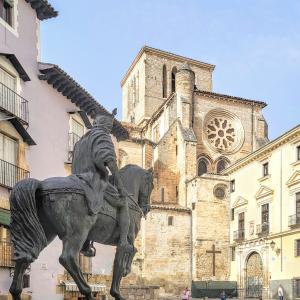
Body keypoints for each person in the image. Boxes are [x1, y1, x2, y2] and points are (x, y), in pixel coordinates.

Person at [71, 113, 130, 256]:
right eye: (109, 128)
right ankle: (123, 241)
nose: (109, 130)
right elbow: (109, 160)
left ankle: (85, 244)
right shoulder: (102, 136)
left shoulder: (81, 141)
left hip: (76, 179)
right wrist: (121, 186)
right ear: (107, 127)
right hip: (92, 180)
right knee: (123, 203)